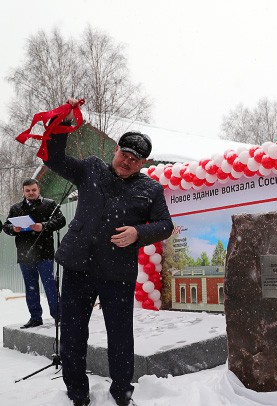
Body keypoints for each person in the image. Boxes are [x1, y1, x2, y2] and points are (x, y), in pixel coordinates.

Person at [43, 99, 173, 406]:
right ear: (115, 150)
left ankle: (122, 394)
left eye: (135, 159)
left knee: (120, 339)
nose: (127, 161)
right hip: (78, 266)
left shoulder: (150, 189)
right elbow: (53, 158)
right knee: (74, 335)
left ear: (143, 164)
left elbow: (165, 225)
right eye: (124, 154)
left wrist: (138, 233)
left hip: (117, 272)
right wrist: (60, 126)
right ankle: (77, 394)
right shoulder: (91, 169)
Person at [2, 179, 66, 328]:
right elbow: (6, 226)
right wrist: (13, 229)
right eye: (27, 190)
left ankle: (59, 316)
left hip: (45, 253)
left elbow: (61, 221)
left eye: (33, 190)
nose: (31, 193)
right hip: (25, 254)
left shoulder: (50, 205)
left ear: (38, 190)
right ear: (23, 192)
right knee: (30, 287)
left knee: (50, 285)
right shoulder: (16, 208)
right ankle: (35, 318)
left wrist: (42, 226)